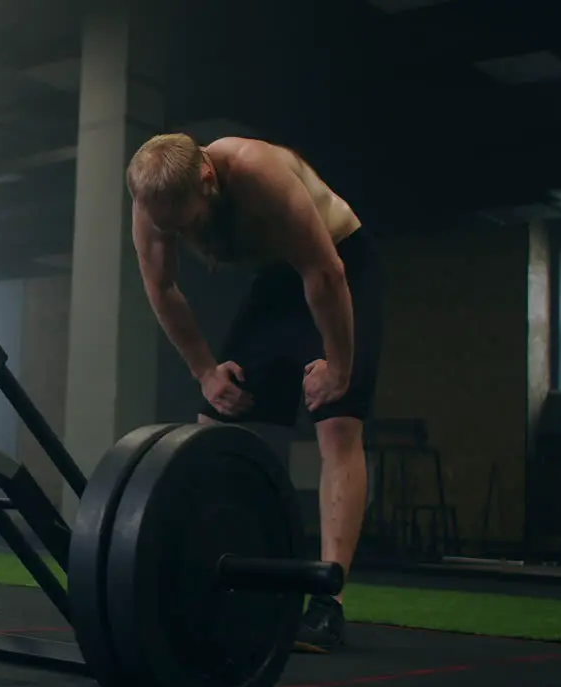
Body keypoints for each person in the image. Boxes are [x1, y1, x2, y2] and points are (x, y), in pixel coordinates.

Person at [126, 132, 383, 653]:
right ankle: (225, 581)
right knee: (215, 426)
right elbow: (162, 287)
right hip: (277, 279)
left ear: (207, 178)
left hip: (339, 265)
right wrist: (204, 371)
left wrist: (340, 367)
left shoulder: (255, 171)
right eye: (172, 226)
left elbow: (325, 273)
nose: (185, 233)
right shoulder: (152, 202)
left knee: (336, 424)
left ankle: (328, 606)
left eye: (190, 220)